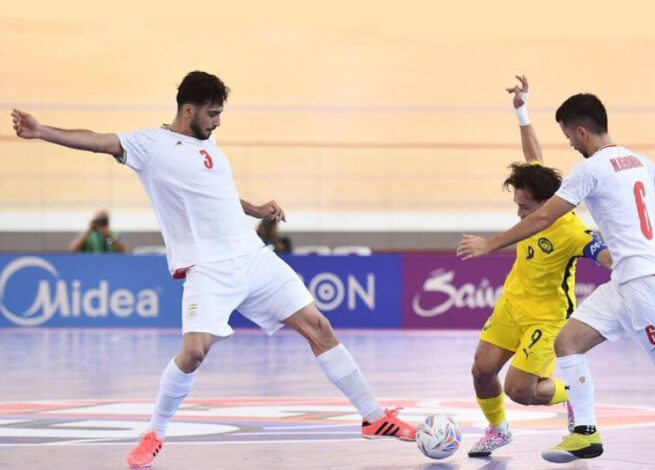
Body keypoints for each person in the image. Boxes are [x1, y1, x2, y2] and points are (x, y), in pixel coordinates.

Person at [11, 71, 416, 469]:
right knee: (193, 352)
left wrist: (254, 209)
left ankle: (373, 417)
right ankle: (154, 433)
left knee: (319, 327)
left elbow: (216, 193)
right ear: (189, 110)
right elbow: (98, 141)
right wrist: (42, 131)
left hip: (253, 257)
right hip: (208, 268)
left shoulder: (209, 142)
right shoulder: (149, 145)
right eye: (213, 113)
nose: (218, 122)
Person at [457, 92, 655, 463]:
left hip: (646, 286)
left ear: (581, 131)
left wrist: (489, 244)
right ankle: (584, 433)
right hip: (624, 283)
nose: (570, 145)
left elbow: (543, 217)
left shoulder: (591, 169)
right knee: (567, 342)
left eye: (569, 136)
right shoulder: (638, 162)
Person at [468, 75, 612, 458]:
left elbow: (602, 253)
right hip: (513, 304)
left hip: (547, 318)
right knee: (482, 370)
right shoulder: (537, 186)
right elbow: (532, 150)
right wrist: (522, 110)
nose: (520, 213)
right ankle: (498, 430)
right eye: (517, 205)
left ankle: (574, 395)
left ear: (547, 203)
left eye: (525, 208)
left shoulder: (570, 230)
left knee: (520, 390)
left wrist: (633, 265)